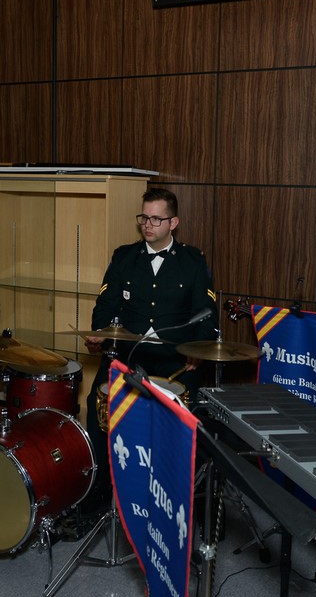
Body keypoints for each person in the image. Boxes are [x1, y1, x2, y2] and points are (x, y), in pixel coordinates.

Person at [81, 187, 217, 510]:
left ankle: (185, 502)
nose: (148, 224)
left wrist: (197, 351)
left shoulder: (193, 261)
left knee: (193, 415)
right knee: (96, 403)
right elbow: (104, 306)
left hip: (176, 360)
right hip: (130, 355)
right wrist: (100, 332)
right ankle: (99, 493)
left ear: (174, 223)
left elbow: (206, 314)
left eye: (156, 219)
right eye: (144, 217)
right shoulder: (124, 257)